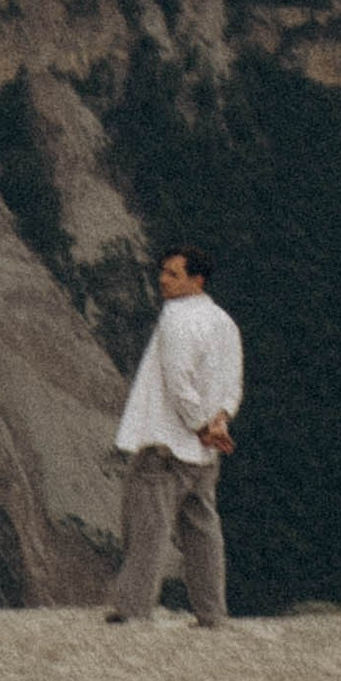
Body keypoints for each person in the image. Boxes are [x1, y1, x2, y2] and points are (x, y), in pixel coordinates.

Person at [106, 245, 242, 627]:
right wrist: (219, 423)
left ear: (196, 280)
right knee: (203, 532)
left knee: (147, 528)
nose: (163, 280)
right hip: (204, 454)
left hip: (167, 444)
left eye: (173, 274)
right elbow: (233, 386)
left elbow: (178, 383)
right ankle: (212, 614)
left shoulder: (176, 320)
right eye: (163, 272)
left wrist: (200, 426)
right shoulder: (224, 322)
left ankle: (133, 610)